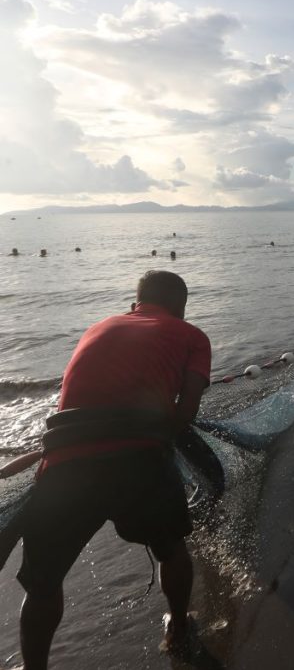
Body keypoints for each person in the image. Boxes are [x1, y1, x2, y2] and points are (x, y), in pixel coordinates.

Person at [17, 270, 212, 668]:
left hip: (64, 464)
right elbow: (186, 410)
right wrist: (163, 439)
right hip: (139, 460)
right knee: (171, 548)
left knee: (42, 586)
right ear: (181, 306)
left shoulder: (98, 327)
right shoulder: (191, 335)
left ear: (135, 303)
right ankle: (177, 626)